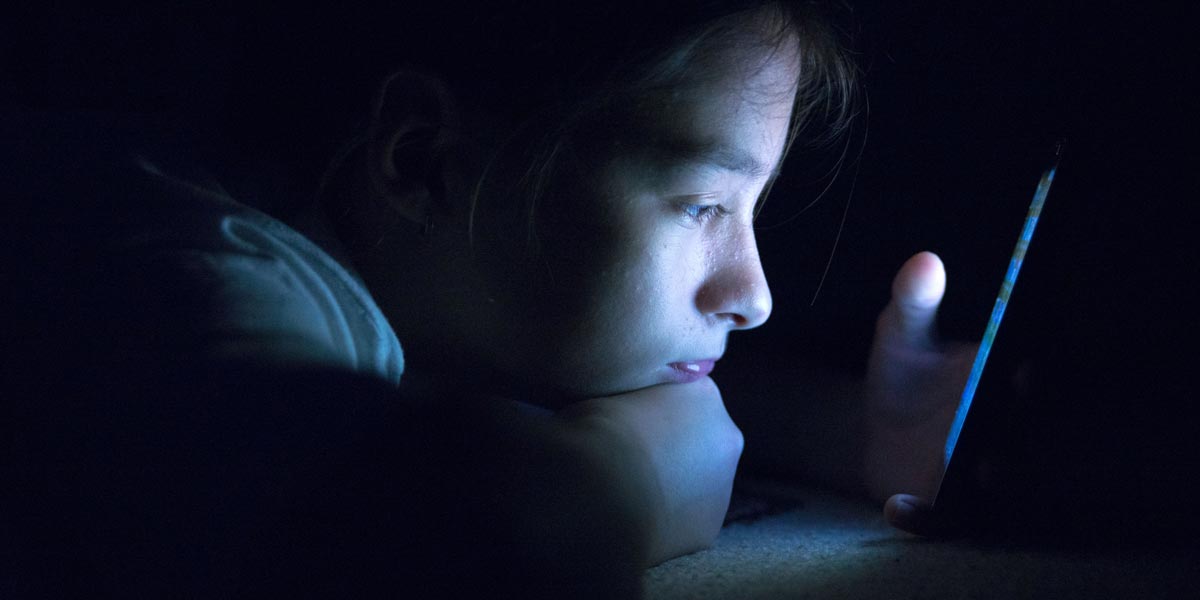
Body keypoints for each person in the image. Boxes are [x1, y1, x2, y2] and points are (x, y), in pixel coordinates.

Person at [7, 1, 976, 596]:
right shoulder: (180, 274)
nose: (754, 295)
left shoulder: (400, 280)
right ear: (425, 160)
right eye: (700, 205)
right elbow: (452, 548)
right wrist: (617, 481)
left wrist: (850, 434)